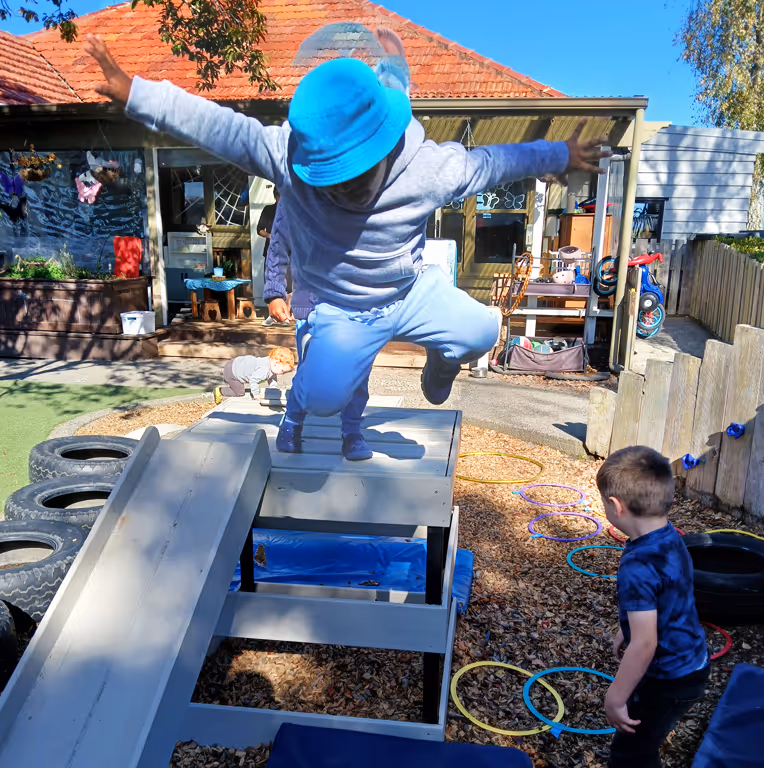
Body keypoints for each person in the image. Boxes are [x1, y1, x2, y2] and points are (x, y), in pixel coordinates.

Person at [83, 30, 607, 453]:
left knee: (482, 330)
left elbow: (492, 164)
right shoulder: (285, 158)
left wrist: (558, 155)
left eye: (356, 173)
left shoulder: (428, 168)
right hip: (343, 310)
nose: (345, 187)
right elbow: (219, 127)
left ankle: (440, 362)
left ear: (386, 146)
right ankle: (305, 401)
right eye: (331, 176)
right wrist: (136, 93)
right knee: (327, 400)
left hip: (411, 291)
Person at [597, 446, 709, 768]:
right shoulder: (671, 539)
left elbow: (645, 644)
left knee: (631, 754)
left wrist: (615, 698)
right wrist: (626, 627)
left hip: (669, 677)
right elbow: (669, 596)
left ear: (616, 506)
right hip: (692, 664)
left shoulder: (638, 565)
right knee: (645, 738)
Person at [265, 203, 373, 460]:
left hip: (358, 302)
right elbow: (278, 241)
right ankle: (292, 422)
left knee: (359, 370)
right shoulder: (297, 188)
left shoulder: (368, 184)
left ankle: (352, 432)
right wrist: (274, 291)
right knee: (309, 369)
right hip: (312, 302)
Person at [214, 346, 295, 405]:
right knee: (239, 392)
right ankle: (220, 391)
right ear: (276, 363)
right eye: (282, 371)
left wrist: (273, 392)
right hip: (232, 371)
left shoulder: (271, 366)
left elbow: (272, 380)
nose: (281, 373)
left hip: (235, 364)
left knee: (239, 387)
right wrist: (256, 394)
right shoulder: (264, 369)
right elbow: (253, 380)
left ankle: (229, 388)